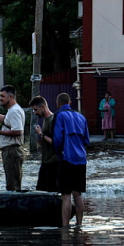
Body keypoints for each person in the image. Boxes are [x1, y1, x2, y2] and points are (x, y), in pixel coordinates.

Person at [52, 93, 90, 226]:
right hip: (81, 159)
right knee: (77, 194)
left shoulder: (59, 116)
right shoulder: (81, 117)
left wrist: (58, 153)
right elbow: (86, 140)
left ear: (58, 103)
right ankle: (79, 224)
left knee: (66, 195)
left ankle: (65, 226)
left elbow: (57, 139)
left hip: (67, 159)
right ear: (70, 102)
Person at [30, 96, 59, 192]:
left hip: (53, 162)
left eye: (35, 110)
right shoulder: (45, 120)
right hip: (46, 161)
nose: (34, 112)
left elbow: (55, 142)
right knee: (40, 189)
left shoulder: (53, 120)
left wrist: (40, 134)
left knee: (52, 190)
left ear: (43, 107)